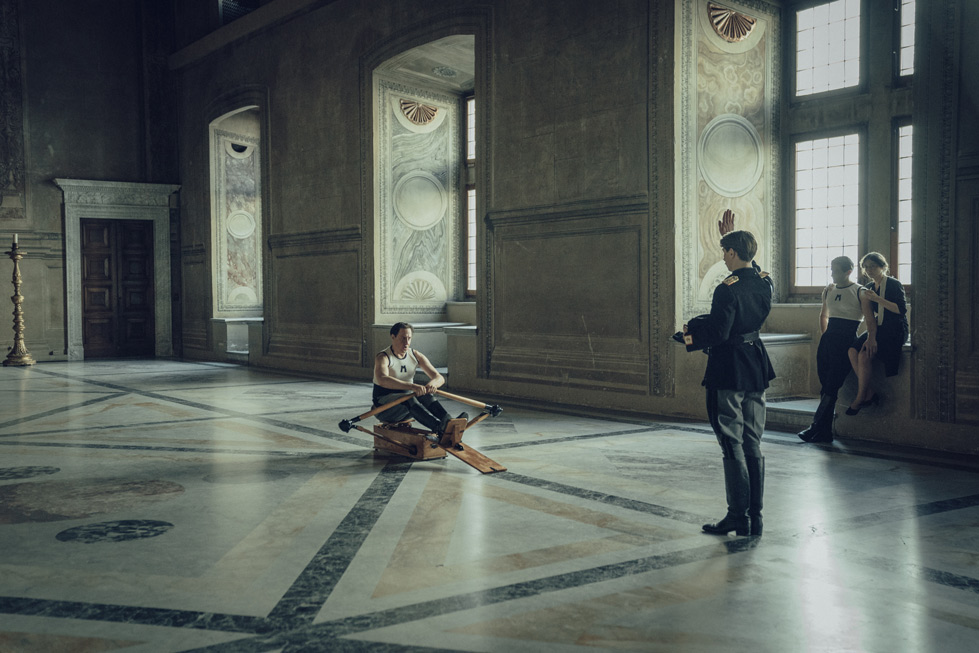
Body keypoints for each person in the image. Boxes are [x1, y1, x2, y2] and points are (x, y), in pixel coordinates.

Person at [683, 210, 775, 537]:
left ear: (732, 253)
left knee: (731, 442)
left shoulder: (726, 289)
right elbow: (751, 269)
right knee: (753, 441)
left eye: (725, 251)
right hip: (756, 365)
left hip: (729, 369)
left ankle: (738, 515)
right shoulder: (766, 281)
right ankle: (756, 518)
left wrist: (688, 336)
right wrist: (735, 238)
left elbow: (719, 333)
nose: (723, 257)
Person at [798, 256, 867, 442]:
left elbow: (871, 319)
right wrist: (825, 336)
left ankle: (815, 427)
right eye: (831, 269)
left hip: (845, 341)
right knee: (825, 387)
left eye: (836, 270)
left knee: (831, 386)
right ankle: (825, 432)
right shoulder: (829, 290)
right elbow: (824, 315)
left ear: (848, 272)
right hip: (828, 340)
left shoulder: (860, 291)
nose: (831, 274)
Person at [372, 322, 466, 434]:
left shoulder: (415, 355)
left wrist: (433, 384)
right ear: (393, 337)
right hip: (384, 408)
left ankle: (449, 421)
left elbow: (439, 377)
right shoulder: (383, 357)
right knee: (409, 398)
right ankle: (438, 428)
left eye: (409, 338)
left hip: (406, 406)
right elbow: (383, 379)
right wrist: (412, 386)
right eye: (403, 338)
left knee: (424, 394)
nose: (406, 343)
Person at [845, 252, 909, 415]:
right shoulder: (870, 288)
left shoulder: (893, 284)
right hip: (878, 327)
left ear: (883, 267)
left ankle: (860, 398)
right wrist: (871, 336)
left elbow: (900, 310)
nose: (869, 270)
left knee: (864, 355)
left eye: (873, 266)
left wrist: (878, 299)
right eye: (866, 267)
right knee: (852, 350)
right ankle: (869, 392)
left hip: (895, 329)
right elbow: (869, 317)